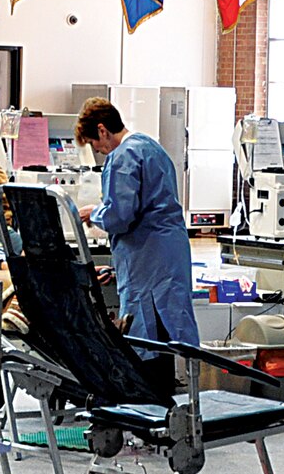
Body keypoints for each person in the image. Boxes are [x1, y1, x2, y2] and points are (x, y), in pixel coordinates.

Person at [75, 97, 199, 347]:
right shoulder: (151, 147)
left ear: (102, 130)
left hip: (147, 258)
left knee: (147, 339)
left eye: (93, 143)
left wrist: (95, 213)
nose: (97, 150)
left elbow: (120, 216)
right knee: (175, 331)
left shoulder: (123, 156)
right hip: (170, 253)